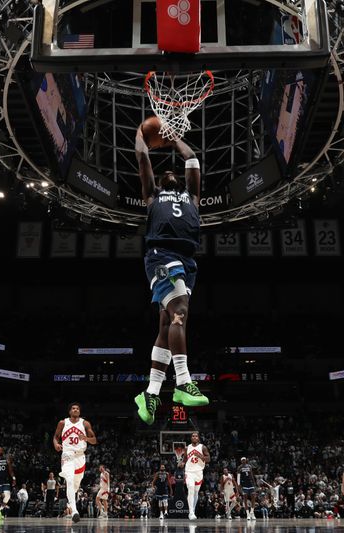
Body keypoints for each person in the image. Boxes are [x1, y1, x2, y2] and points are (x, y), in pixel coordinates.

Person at [133, 125, 209, 425]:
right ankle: (182, 382)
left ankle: (150, 393)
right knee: (180, 312)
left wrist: (175, 139)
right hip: (162, 255)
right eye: (166, 174)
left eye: (173, 174)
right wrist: (141, 134)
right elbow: (143, 160)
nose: (170, 173)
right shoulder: (153, 196)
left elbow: (192, 160)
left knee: (166, 324)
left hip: (188, 261)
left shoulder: (192, 198)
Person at [53, 402, 97, 523]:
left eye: (77, 408)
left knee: (75, 485)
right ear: (69, 411)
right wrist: (56, 444)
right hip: (67, 454)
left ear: (80, 411)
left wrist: (86, 438)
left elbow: (94, 440)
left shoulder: (85, 423)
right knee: (69, 480)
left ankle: (70, 503)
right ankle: (74, 511)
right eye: (73, 408)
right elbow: (56, 437)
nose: (75, 410)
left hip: (80, 457)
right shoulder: (63, 423)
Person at [185, 431, 210, 520]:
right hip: (189, 472)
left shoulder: (202, 447)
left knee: (196, 492)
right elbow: (185, 459)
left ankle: (193, 510)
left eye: (196, 436)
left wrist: (199, 455)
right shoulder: (187, 448)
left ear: (198, 438)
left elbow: (208, 459)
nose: (194, 437)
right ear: (191, 438)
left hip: (199, 471)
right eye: (193, 436)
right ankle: (191, 513)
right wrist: (181, 463)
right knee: (191, 488)